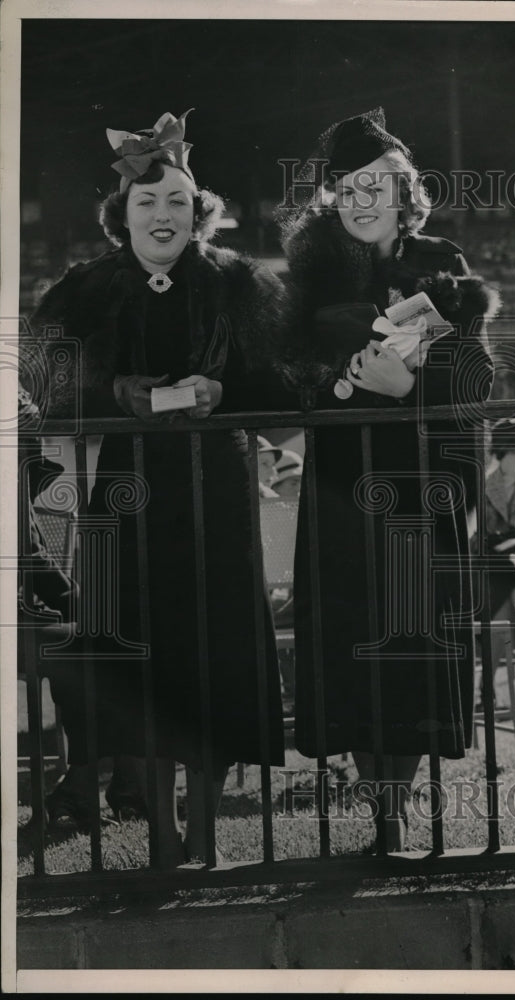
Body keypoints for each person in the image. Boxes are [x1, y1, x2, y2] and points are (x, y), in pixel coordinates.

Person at [23, 110, 287, 864]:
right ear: (122, 217)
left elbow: (282, 380)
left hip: (218, 493)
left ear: (198, 212)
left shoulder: (239, 282)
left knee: (215, 656)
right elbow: (42, 378)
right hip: (128, 499)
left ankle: (206, 836)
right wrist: (115, 394)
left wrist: (224, 395)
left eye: (177, 201)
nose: (163, 214)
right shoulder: (84, 288)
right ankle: (164, 839)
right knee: (147, 661)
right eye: (147, 203)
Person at [277, 108, 496, 850]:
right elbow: (281, 375)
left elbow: (477, 376)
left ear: (404, 191)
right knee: (347, 638)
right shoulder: (309, 268)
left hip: (415, 477)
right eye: (349, 187)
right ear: (333, 195)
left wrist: (411, 391)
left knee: (410, 640)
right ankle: (375, 804)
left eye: (379, 185)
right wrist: (332, 381)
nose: (364, 199)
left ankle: (395, 805)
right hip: (340, 482)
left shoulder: (441, 259)